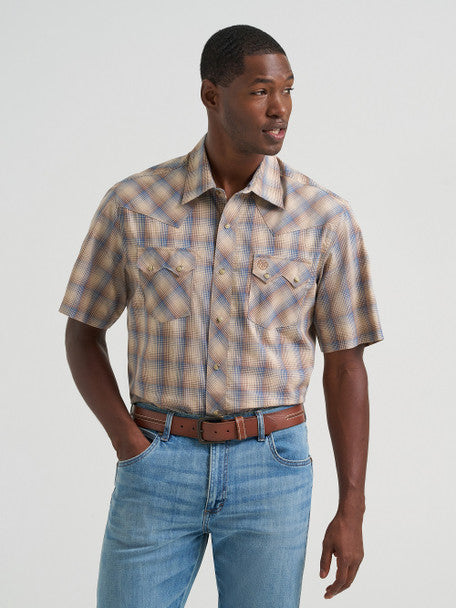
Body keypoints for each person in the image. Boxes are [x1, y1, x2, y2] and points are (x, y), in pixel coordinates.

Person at [58, 24, 384, 608]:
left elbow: (345, 366)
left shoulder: (324, 218)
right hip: (156, 463)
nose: (280, 107)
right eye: (260, 91)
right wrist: (129, 444)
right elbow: (83, 332)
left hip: (273, 468)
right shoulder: (134, 204)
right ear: (211, 95)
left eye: (287, 89)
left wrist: (352, 506)